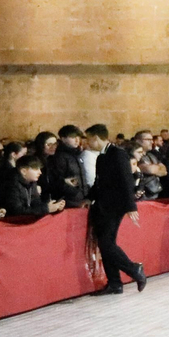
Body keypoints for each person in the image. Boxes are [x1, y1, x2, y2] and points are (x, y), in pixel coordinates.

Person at [84, 125, 147, 295]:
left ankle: (134, 269)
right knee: (106, 244)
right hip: (103, 206)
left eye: (89, 138)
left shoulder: (118, 154)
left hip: (114, 206)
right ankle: (115, 283)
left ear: (97, 137)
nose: (87, 143)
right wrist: (89, 197)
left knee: (106, 243)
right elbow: (99, 182)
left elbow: (126, 180)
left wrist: (130, 206)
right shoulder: (101, 157)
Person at [0, 155, 66, 219]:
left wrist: (52, 207)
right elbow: (16, 210)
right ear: (24, 171)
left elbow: (35, 202)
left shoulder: (32, 182)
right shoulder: (11, 184)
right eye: (36, 169)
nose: (40, 172)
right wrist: (46, 209)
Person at [46, 125, 89, 207]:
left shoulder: (76, 154)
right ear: (63, 138)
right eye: (73, 137)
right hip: (69, 201)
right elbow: (56, 180)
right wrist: (74, 193)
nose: (77, 140)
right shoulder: (59, 157)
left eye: (78, 137)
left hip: (81, 199)